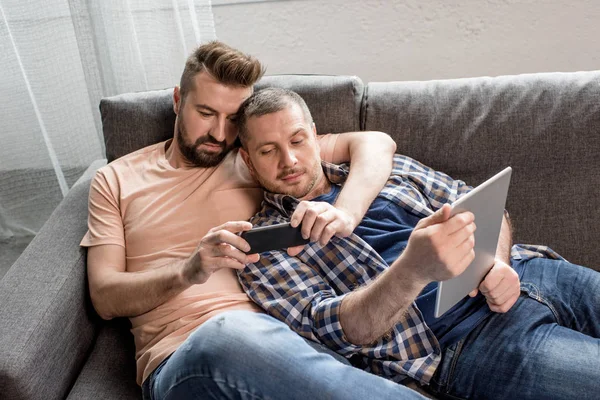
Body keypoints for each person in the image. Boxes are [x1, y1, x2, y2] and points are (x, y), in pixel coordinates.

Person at [82, 41, 431, 400]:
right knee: (227, 335)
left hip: (293, 351)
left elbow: (374, 144)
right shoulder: (117, 180)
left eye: (232, 119)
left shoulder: (257, 158)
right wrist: (188, 271)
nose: (219, 134)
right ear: (177, 100)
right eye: (205, 113)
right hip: (186, 358)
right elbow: (105, 296)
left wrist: (345, 212)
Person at [235, 87, 600, 400]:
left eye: (297, 140)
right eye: (268, 151)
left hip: (530, 271)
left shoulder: (381, 167)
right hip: (467, 341)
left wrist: (496, 262)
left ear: (316, 137)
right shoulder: (265, 247)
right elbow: (345, 331)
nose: (290, 160)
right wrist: (413, 269)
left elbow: (483, 203)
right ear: (249, 162)